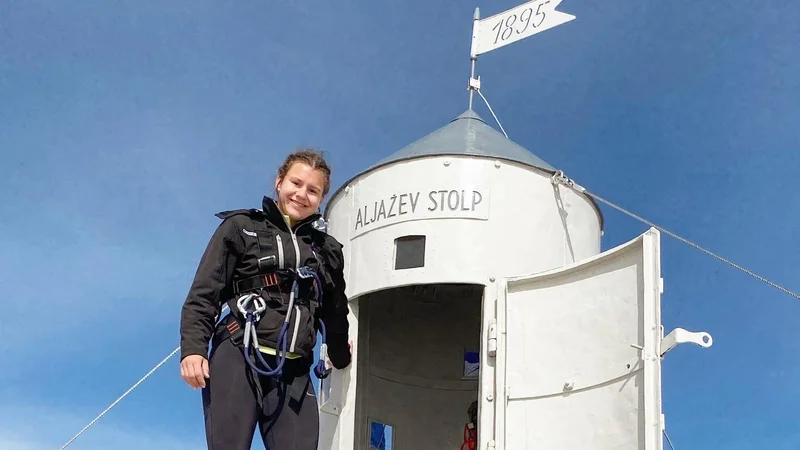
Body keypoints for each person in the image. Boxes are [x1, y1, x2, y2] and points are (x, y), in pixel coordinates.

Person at [179, 148, 352, 450]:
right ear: (279, 182)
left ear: (321, 198)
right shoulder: (241, 227)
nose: (302, 194)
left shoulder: (327, 250)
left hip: (293, 370)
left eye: (313, 190)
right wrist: (193, 350)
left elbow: (335, 310)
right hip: (238, 355)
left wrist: (340, 354)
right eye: (295, 183)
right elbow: (205, 293)